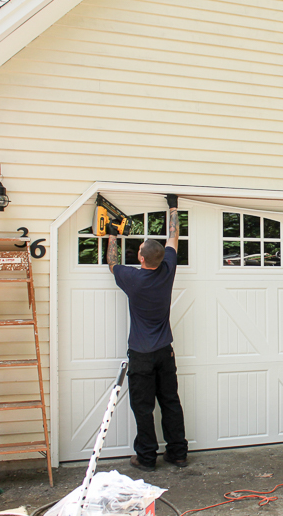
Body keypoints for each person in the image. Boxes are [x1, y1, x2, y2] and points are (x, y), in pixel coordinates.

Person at [107, 194, 188, 471]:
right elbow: (174, 238)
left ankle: (146, 457)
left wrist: (113, 235)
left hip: (141, 355)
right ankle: (178, 453)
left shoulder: (132, 279)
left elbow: (112, 263)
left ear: (140, 257)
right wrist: (173, 207)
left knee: (143, 408)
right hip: (165, 352)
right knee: (170, 402)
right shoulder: (168, 270)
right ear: (160, 257)